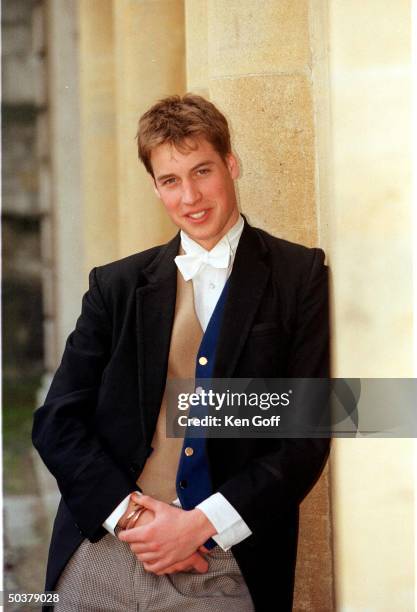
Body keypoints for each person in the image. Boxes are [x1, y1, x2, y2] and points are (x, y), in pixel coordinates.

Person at [32, 93, 330, 612]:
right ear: (155, 187)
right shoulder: (116, 285)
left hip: (224, 562)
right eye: (171, 180)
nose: (190, 196)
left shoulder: (298, 276)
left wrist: (198, 524)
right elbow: (57, 420)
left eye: (202, 171)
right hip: (105, 546)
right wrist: (131, 517)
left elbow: (305, 438)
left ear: (231, 165)